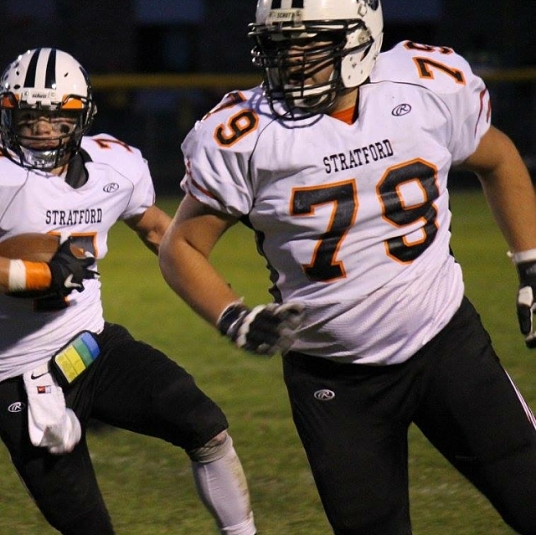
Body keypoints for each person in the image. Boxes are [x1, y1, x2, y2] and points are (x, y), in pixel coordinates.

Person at [158, 1, 536, 534]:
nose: (289, 62)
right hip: (332, 376)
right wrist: (233, 315)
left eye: (306, 45)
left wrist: (530, 264)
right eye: (278, 46)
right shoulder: (246, 134)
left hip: (446, 343)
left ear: (360, 39)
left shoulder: (423, 87)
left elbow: (498, 159)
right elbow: (181, 247)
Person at [0, 47, 257, 535]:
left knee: (205, 426)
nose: (40, 129)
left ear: (83, 117)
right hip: (14, 371)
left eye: (57, 117)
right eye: (28, 117)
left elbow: (159, 230)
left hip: (90, 346)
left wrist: (219, 289)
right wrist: (36, 276)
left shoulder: (116, 166)